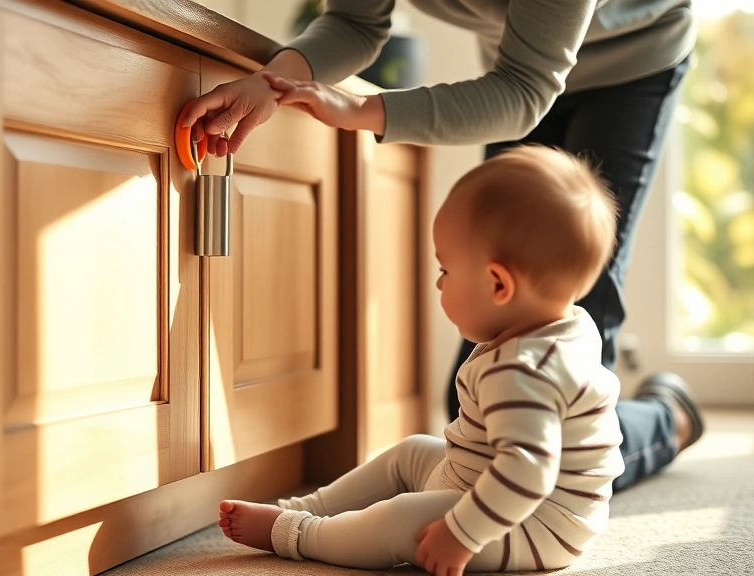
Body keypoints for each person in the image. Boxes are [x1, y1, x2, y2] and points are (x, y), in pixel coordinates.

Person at [182, 0, 704, 492]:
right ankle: (662, 413)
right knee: (473, 412)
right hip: (522, 65)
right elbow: (354, 23)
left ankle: (666, 419)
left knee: (566, 420)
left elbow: (524, 92)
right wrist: (269, 84)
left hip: (632, 57)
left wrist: (358, 109)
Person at [217, 146, 625, 575]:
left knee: (402, 519)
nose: (437, 281)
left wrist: (461, 533)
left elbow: (526, 472)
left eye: (446, 270)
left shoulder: (522, 372)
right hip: (493, 486)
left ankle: (299, 533)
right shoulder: (564, 323)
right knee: (411, 453)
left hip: (533, 525)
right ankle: (303, 507)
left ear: (498, 285)